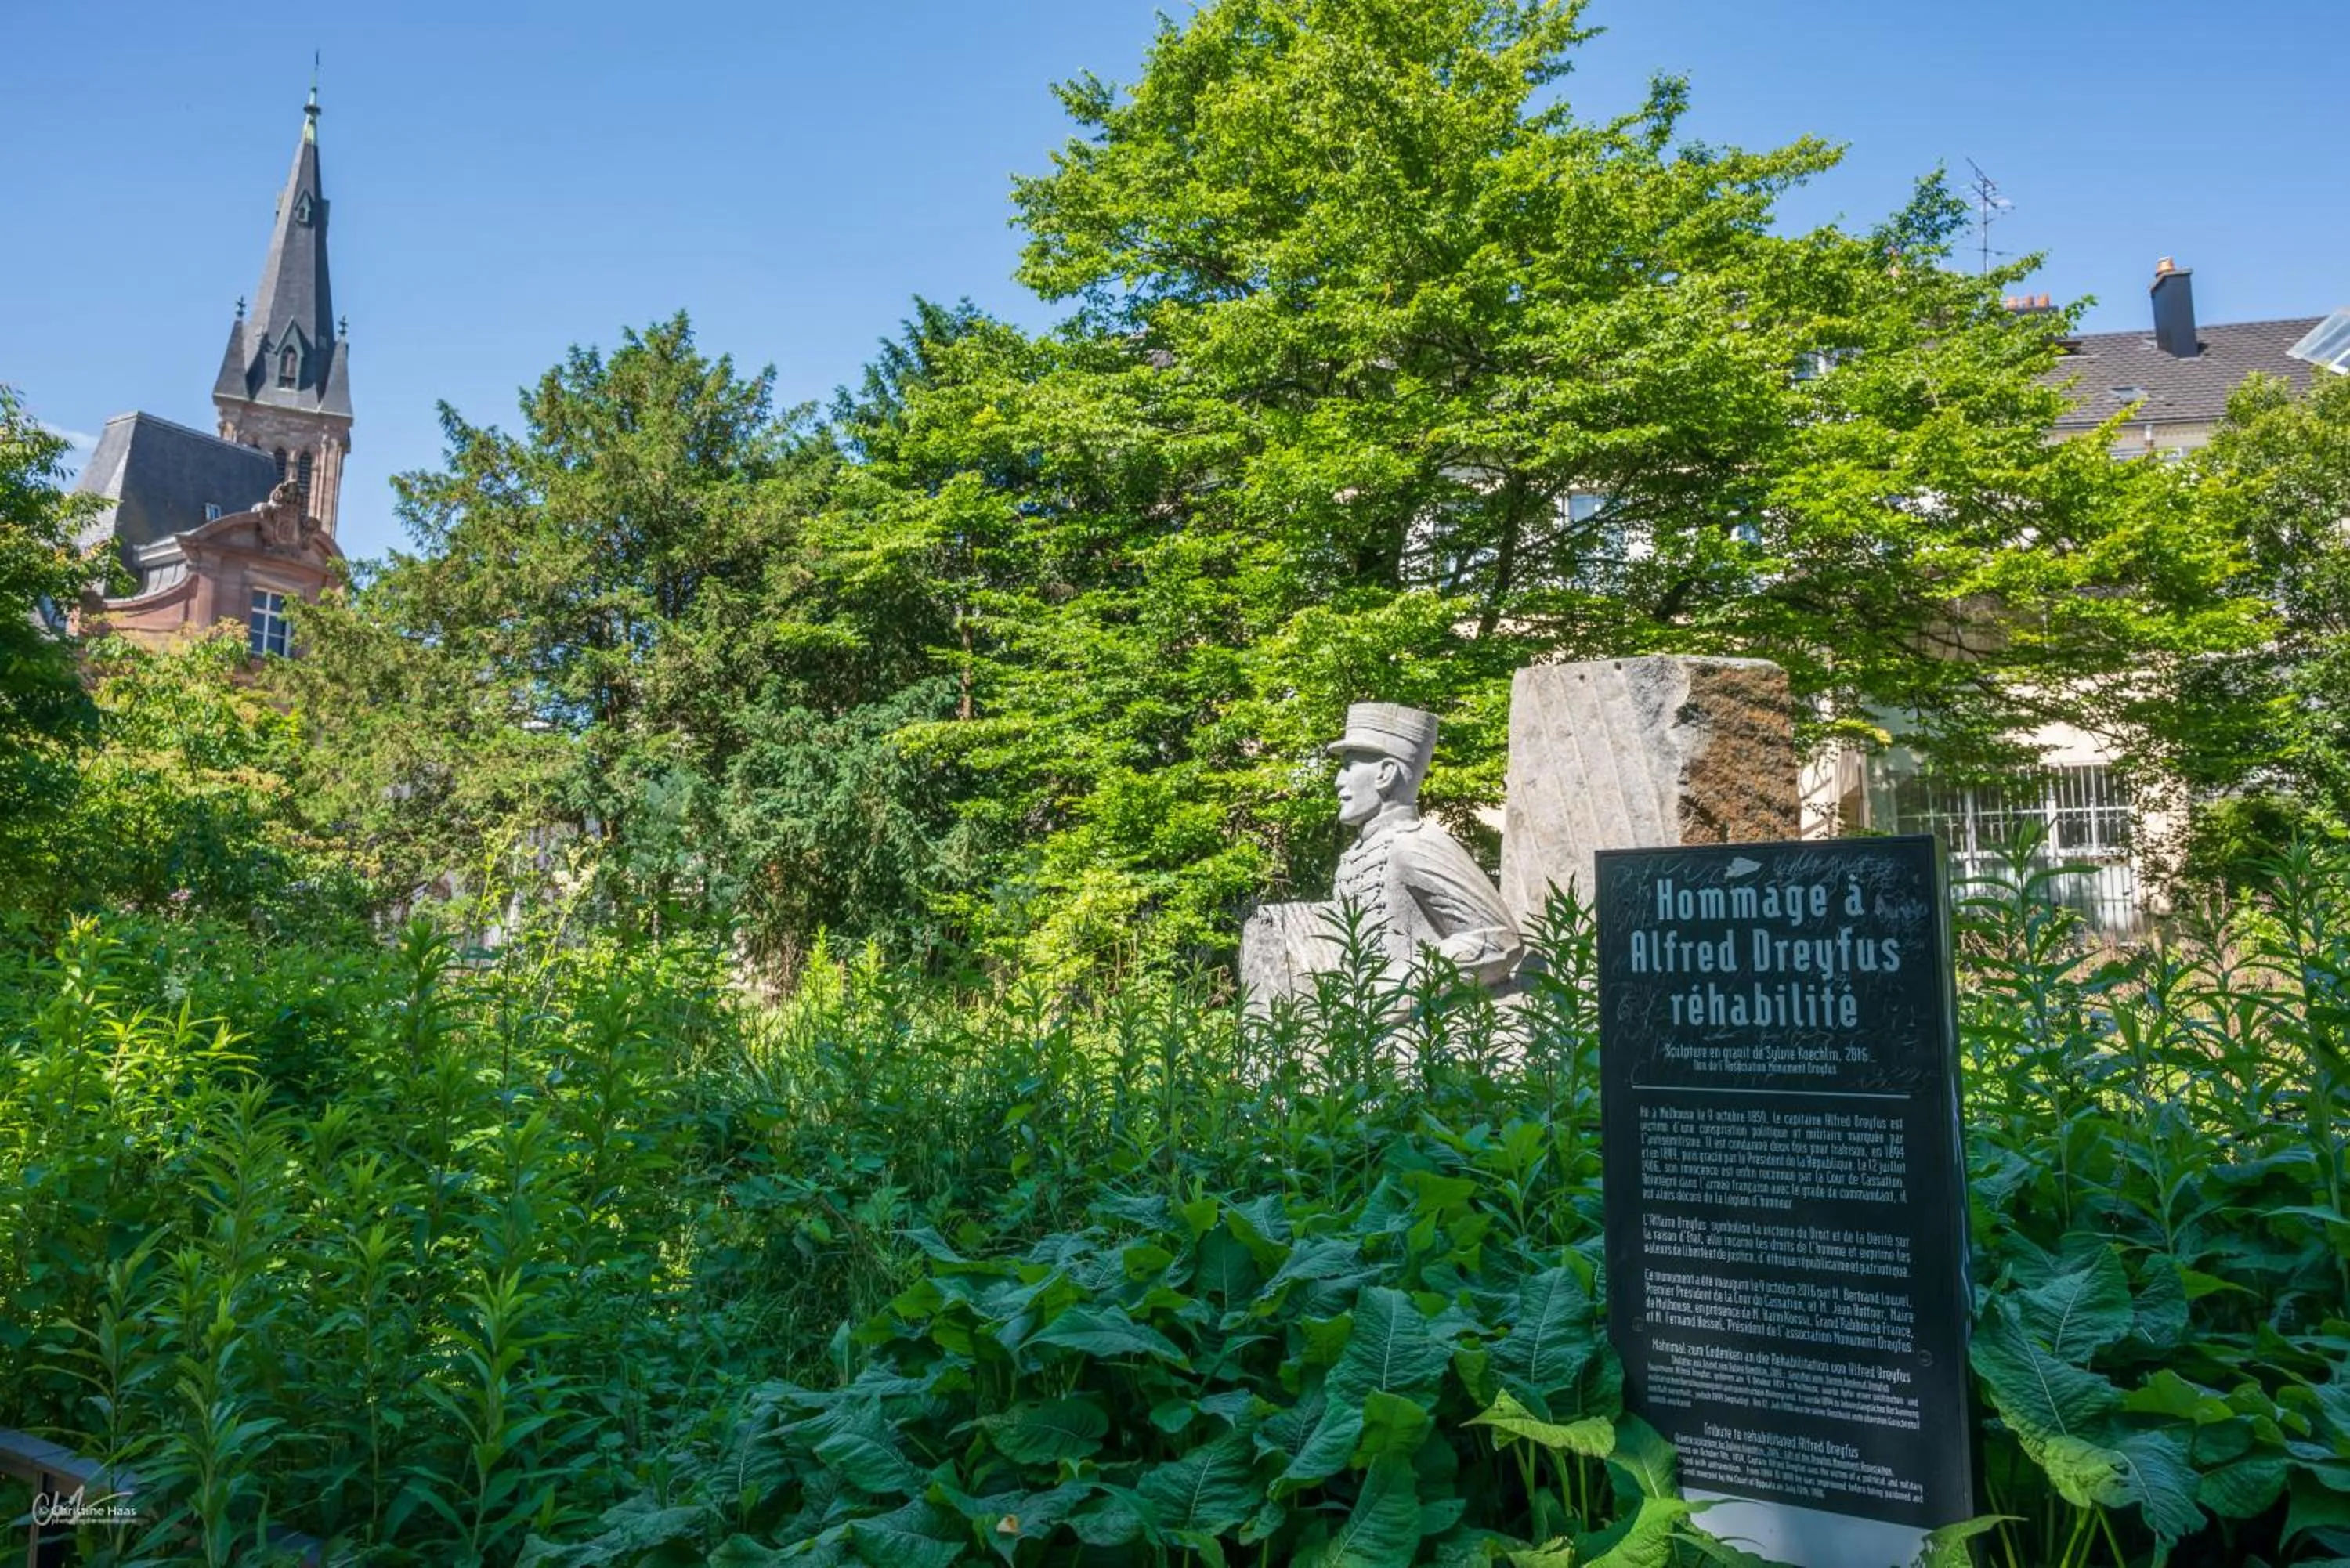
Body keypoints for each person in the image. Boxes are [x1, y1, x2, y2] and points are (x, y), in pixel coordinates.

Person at [1327, 703, 1524, 985]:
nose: (1338, 781)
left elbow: (1498, 939)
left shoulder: (1415, 844)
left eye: (1349, 767)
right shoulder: (1357, 852)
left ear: (1386, 774)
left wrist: (1392, 991)